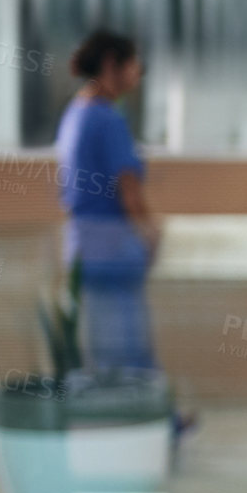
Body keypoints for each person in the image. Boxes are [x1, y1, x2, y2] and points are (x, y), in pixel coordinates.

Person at [54, 30, 162, 372]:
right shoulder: (107, 118)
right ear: (111, 64)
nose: (137, 73)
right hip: (112, 245)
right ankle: (150, 419)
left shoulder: (75, 114)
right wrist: (151, 233)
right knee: (128, 346)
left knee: (101, 345)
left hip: (82, 246)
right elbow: (128, 188)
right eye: (133, 64)